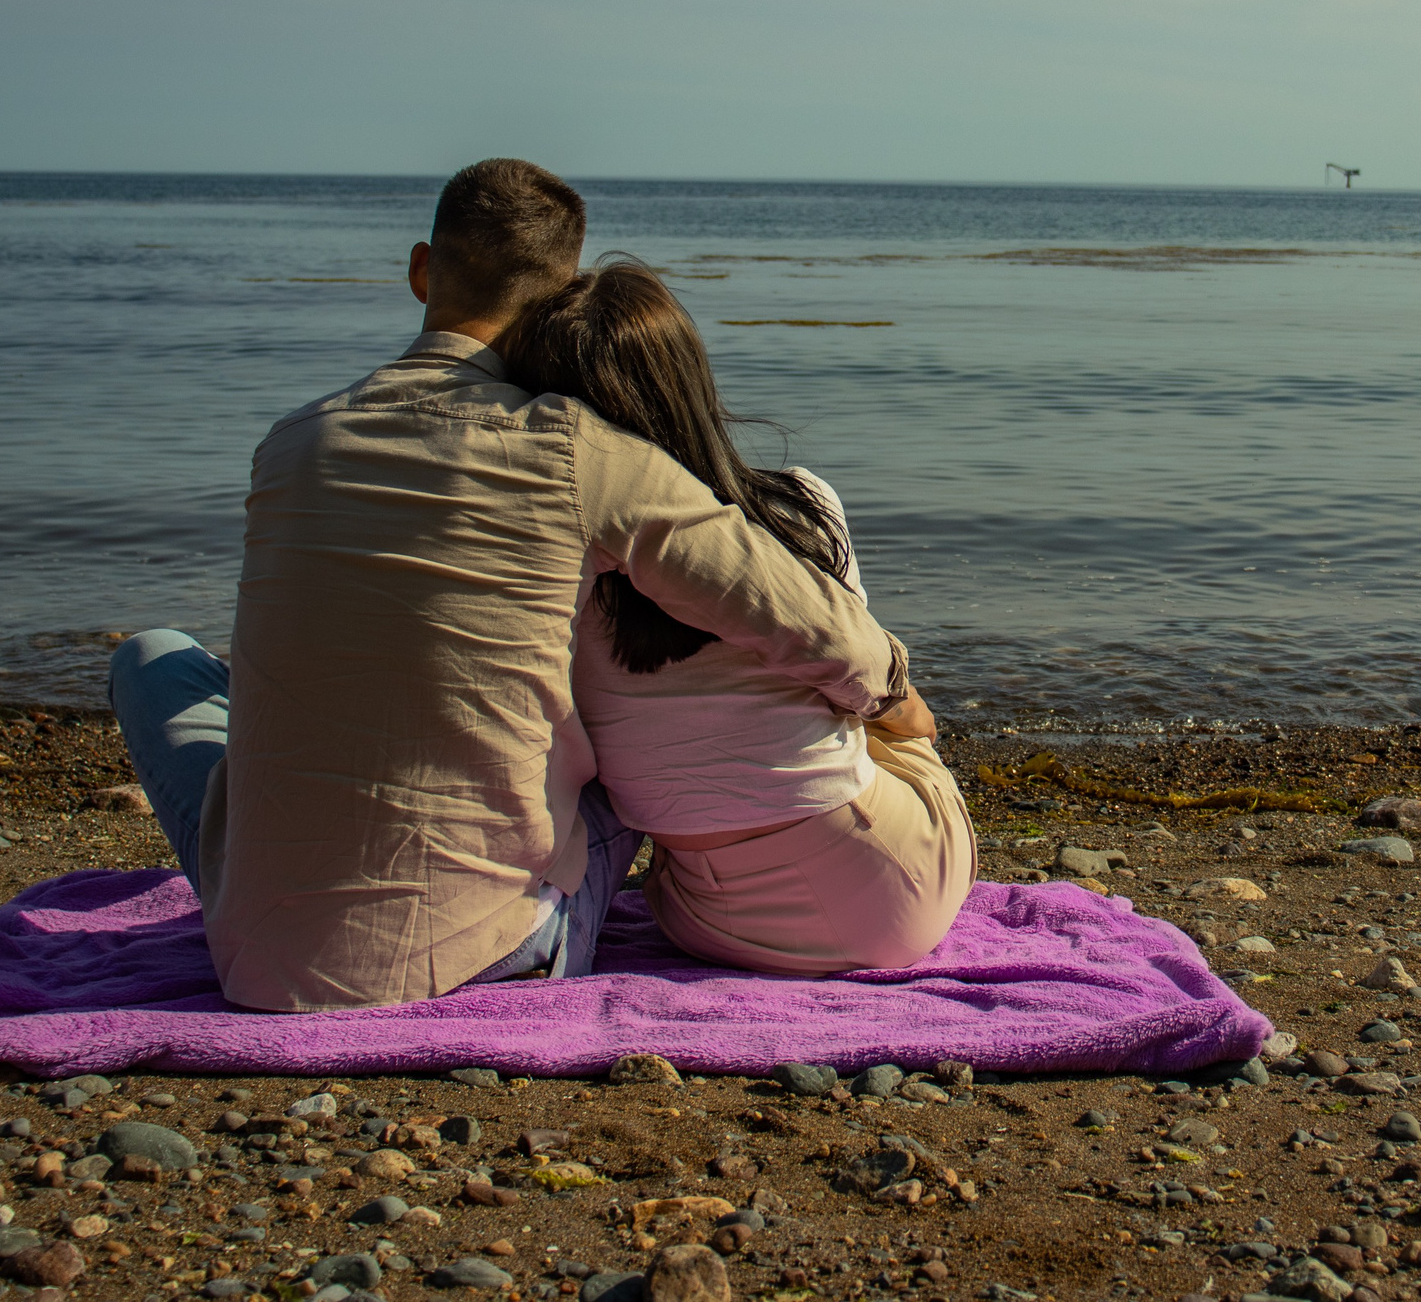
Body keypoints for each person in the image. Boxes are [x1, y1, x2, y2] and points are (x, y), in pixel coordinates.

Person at [107, 159, 920, 1011]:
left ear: (423, 270)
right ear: (563, 301)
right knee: (615, 711)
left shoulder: (289, 444)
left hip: (259, 959)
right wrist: (896, 696)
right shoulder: (573, 448)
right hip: (492, 951)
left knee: (153, 659)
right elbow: (805, 614)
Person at [509, 260, 977, 976]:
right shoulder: (800, 507)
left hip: (706, 921)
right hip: (894, 898)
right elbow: (877, 695)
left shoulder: (555, 573)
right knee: (886, 731)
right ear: (686, 383)